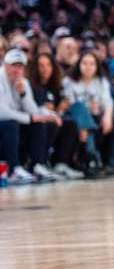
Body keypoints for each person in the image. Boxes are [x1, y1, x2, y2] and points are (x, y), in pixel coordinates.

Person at [0, 48, 61, 183]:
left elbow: (32, 110)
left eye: (20, 65)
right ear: (5, 64)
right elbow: (3, 113)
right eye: (13, 65)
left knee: (40, 124)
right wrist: (30, 118)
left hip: (14, 126)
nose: (17, 69)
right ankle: (13, 169)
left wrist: (23, 94)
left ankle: (37, 165)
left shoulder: (24, 82)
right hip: (4, 125)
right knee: (11, 123)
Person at [25, 50, 83, 178]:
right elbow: (32, 110)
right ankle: (40, 163)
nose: (45, 69)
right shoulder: (31, 86)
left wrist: (58, 110)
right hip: (38, 124)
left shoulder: (56, 86)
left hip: (55, 121)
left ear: (53, 67)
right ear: (35, 68)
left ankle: (61, 164)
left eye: (48, 65)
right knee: (50, 125)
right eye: (41, 65)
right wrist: (54, 112)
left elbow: (62, 110)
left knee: (71, 124)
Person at [62, 50, 114, 175]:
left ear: (96, 66)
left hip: (93, 118)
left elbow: (108, 101)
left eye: (92, 64)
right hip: (75, 118)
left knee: (113, 120)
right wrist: (89, 107)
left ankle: (105, 163)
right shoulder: (68, 81)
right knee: (81, 107)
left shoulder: (101, 81)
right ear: (78, 65)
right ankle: (90, 155)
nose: (88, 67)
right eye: (85, 63)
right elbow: (71, 105)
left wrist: (107, 117)